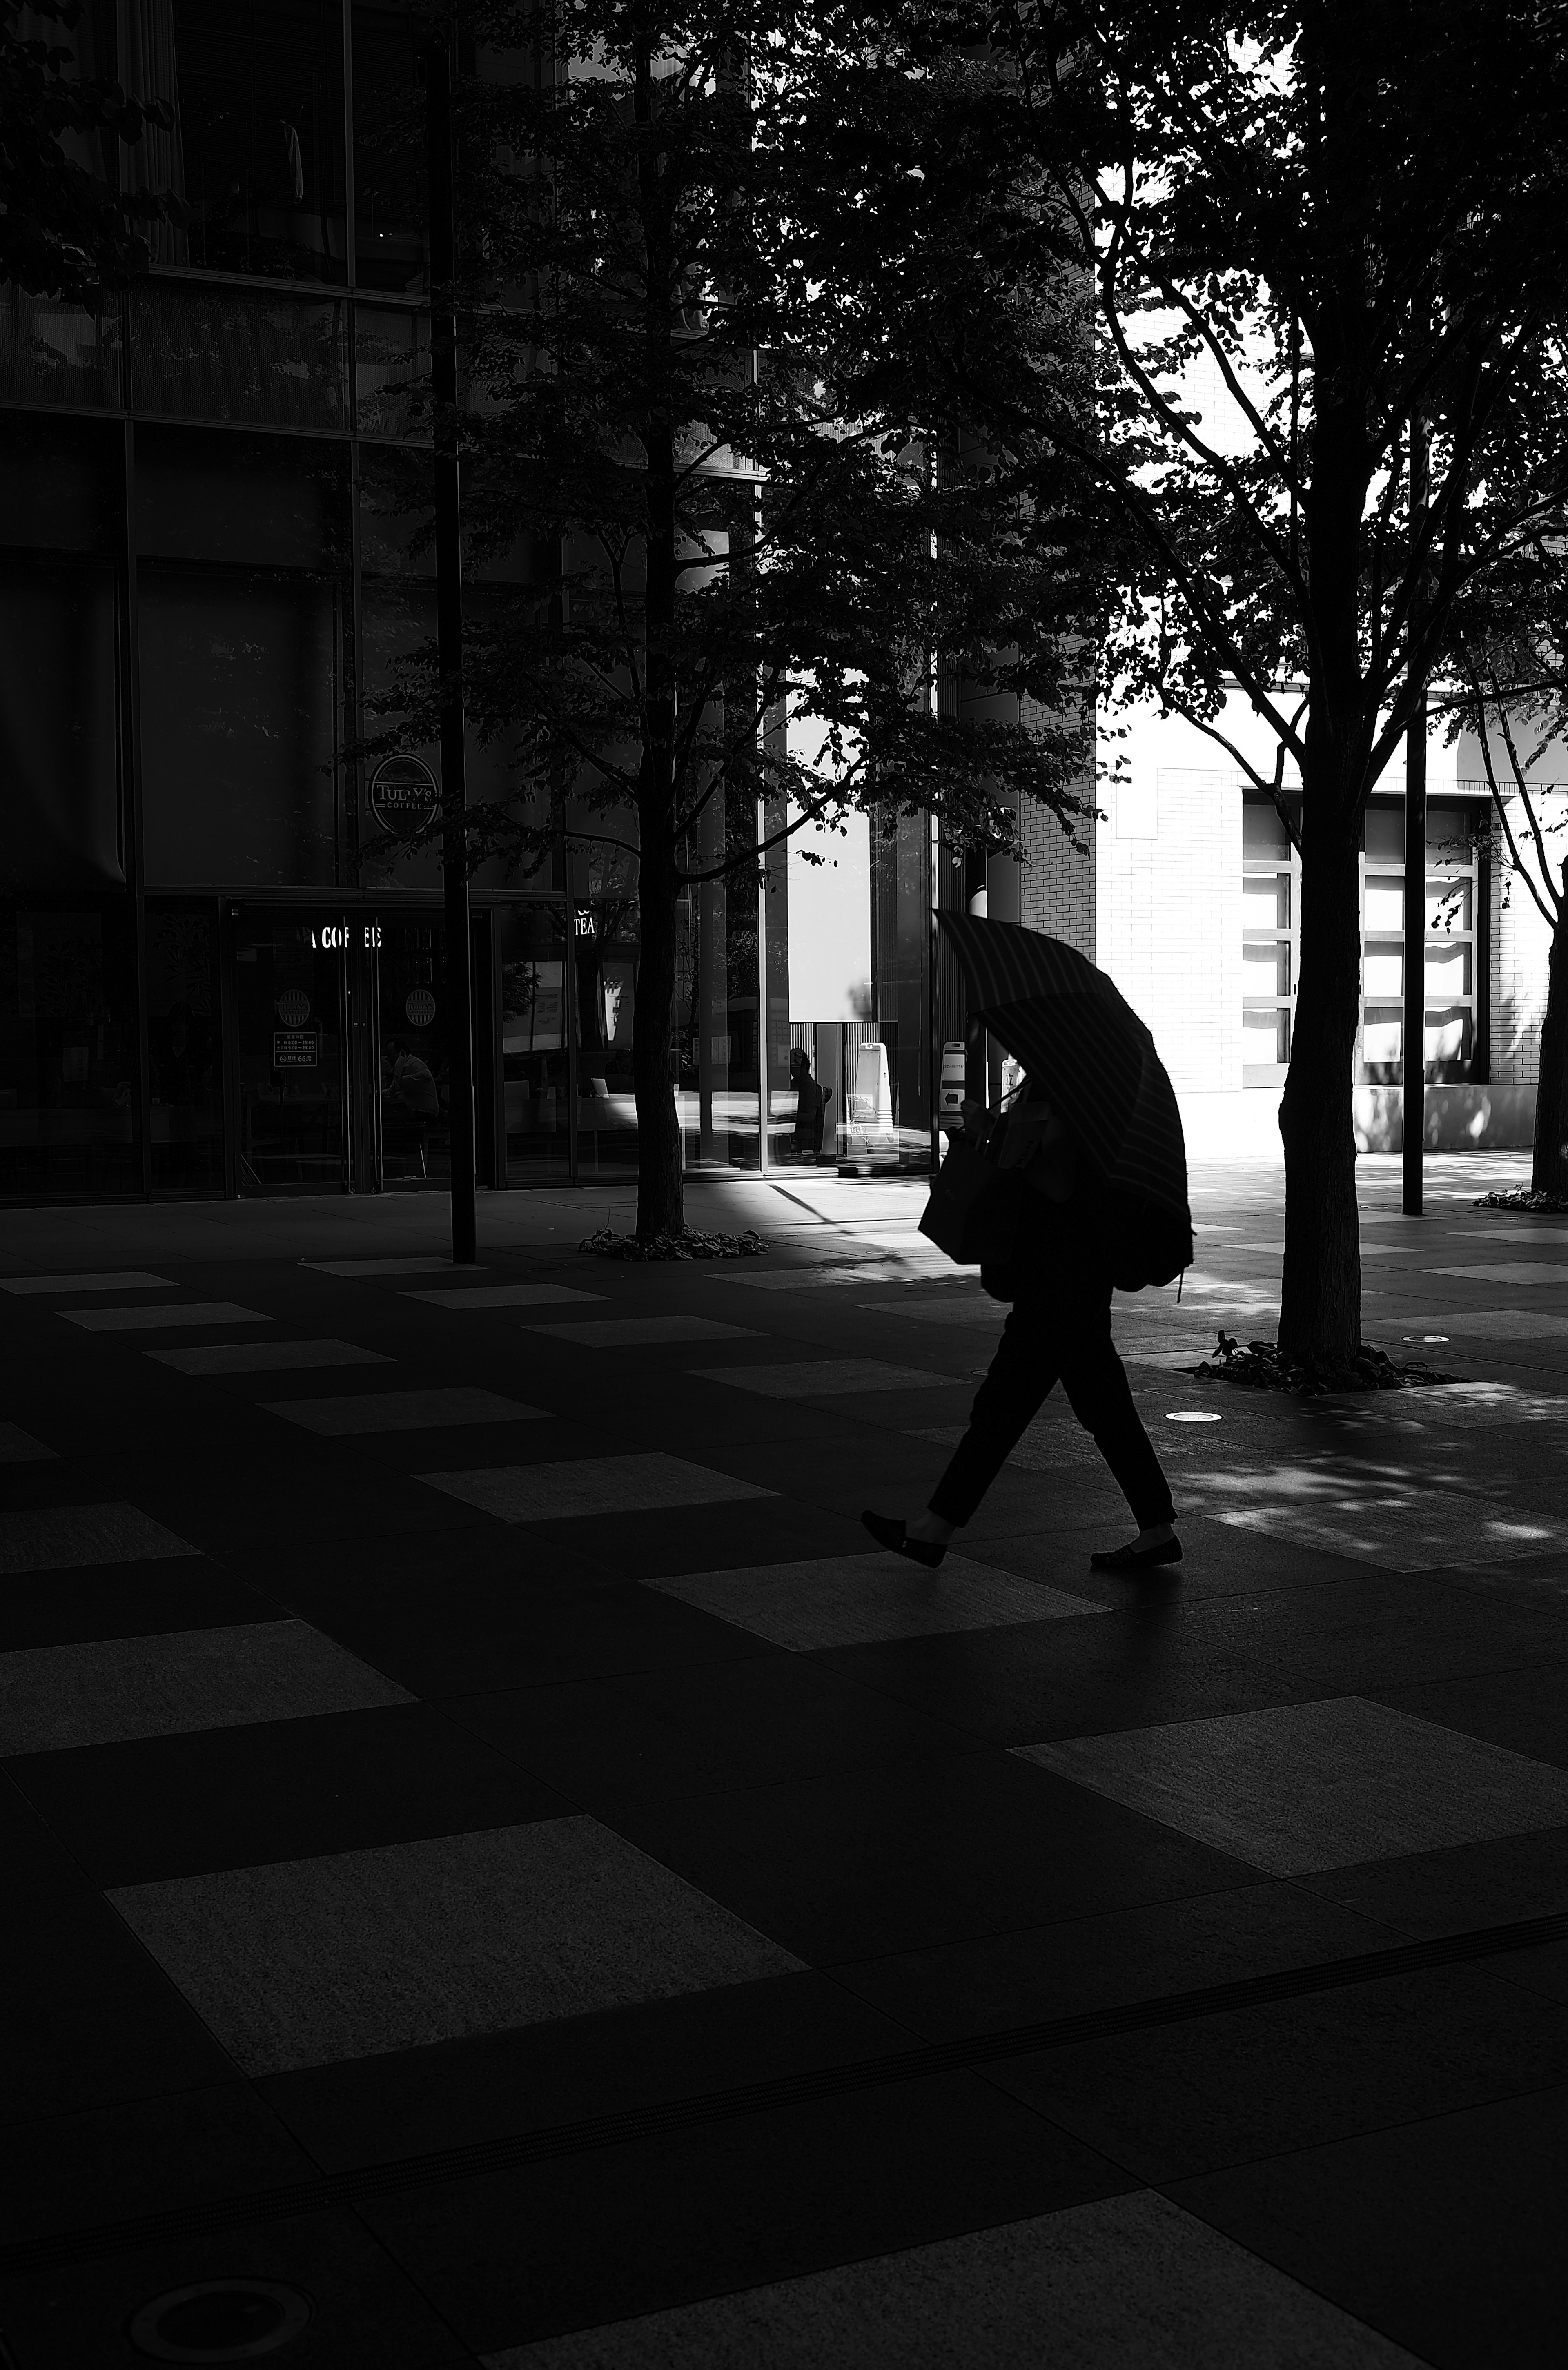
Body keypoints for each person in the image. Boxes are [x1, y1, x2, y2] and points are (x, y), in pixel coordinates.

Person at [862, 1080, 1179, 1572]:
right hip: (1072, 1276)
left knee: (1003, 1405)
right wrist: (992, 1132)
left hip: (1059, 1278)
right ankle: (1157, 1527)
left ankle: (933, 1529)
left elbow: (1061, 1184)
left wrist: (1000, 1144)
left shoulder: (1076, 1099)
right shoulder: (1065, 1091)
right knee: (1104, 1405)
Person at [790, 1047, 828, 1161]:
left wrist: (790, 1116)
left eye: (793, 1067)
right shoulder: (793, 1084)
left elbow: (810, 1116)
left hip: (802, 1130)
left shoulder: (811, 1087)